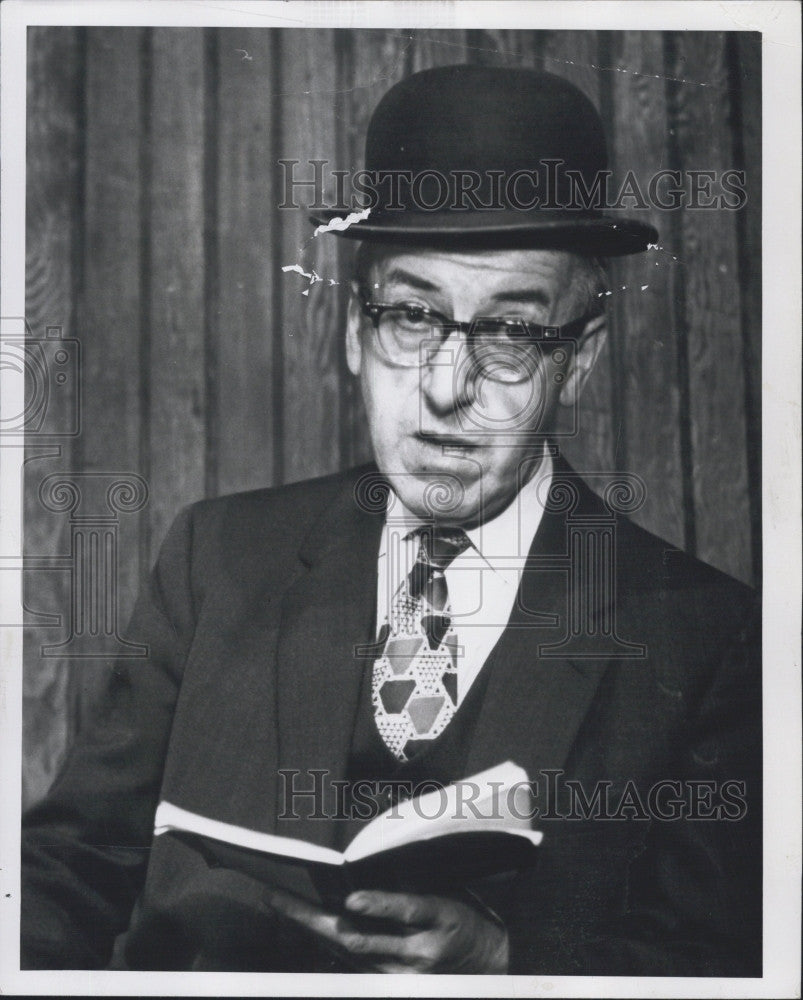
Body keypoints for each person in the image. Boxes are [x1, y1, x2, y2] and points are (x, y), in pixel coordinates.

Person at [21, 64, 761, 976]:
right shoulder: (216, 559)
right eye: (411, 316)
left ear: (578, 360)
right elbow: (63, 874)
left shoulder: (702, 634)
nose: (449, 390)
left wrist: (509, 962)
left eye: (512, 334)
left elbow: (718, 966)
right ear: (351, 335)